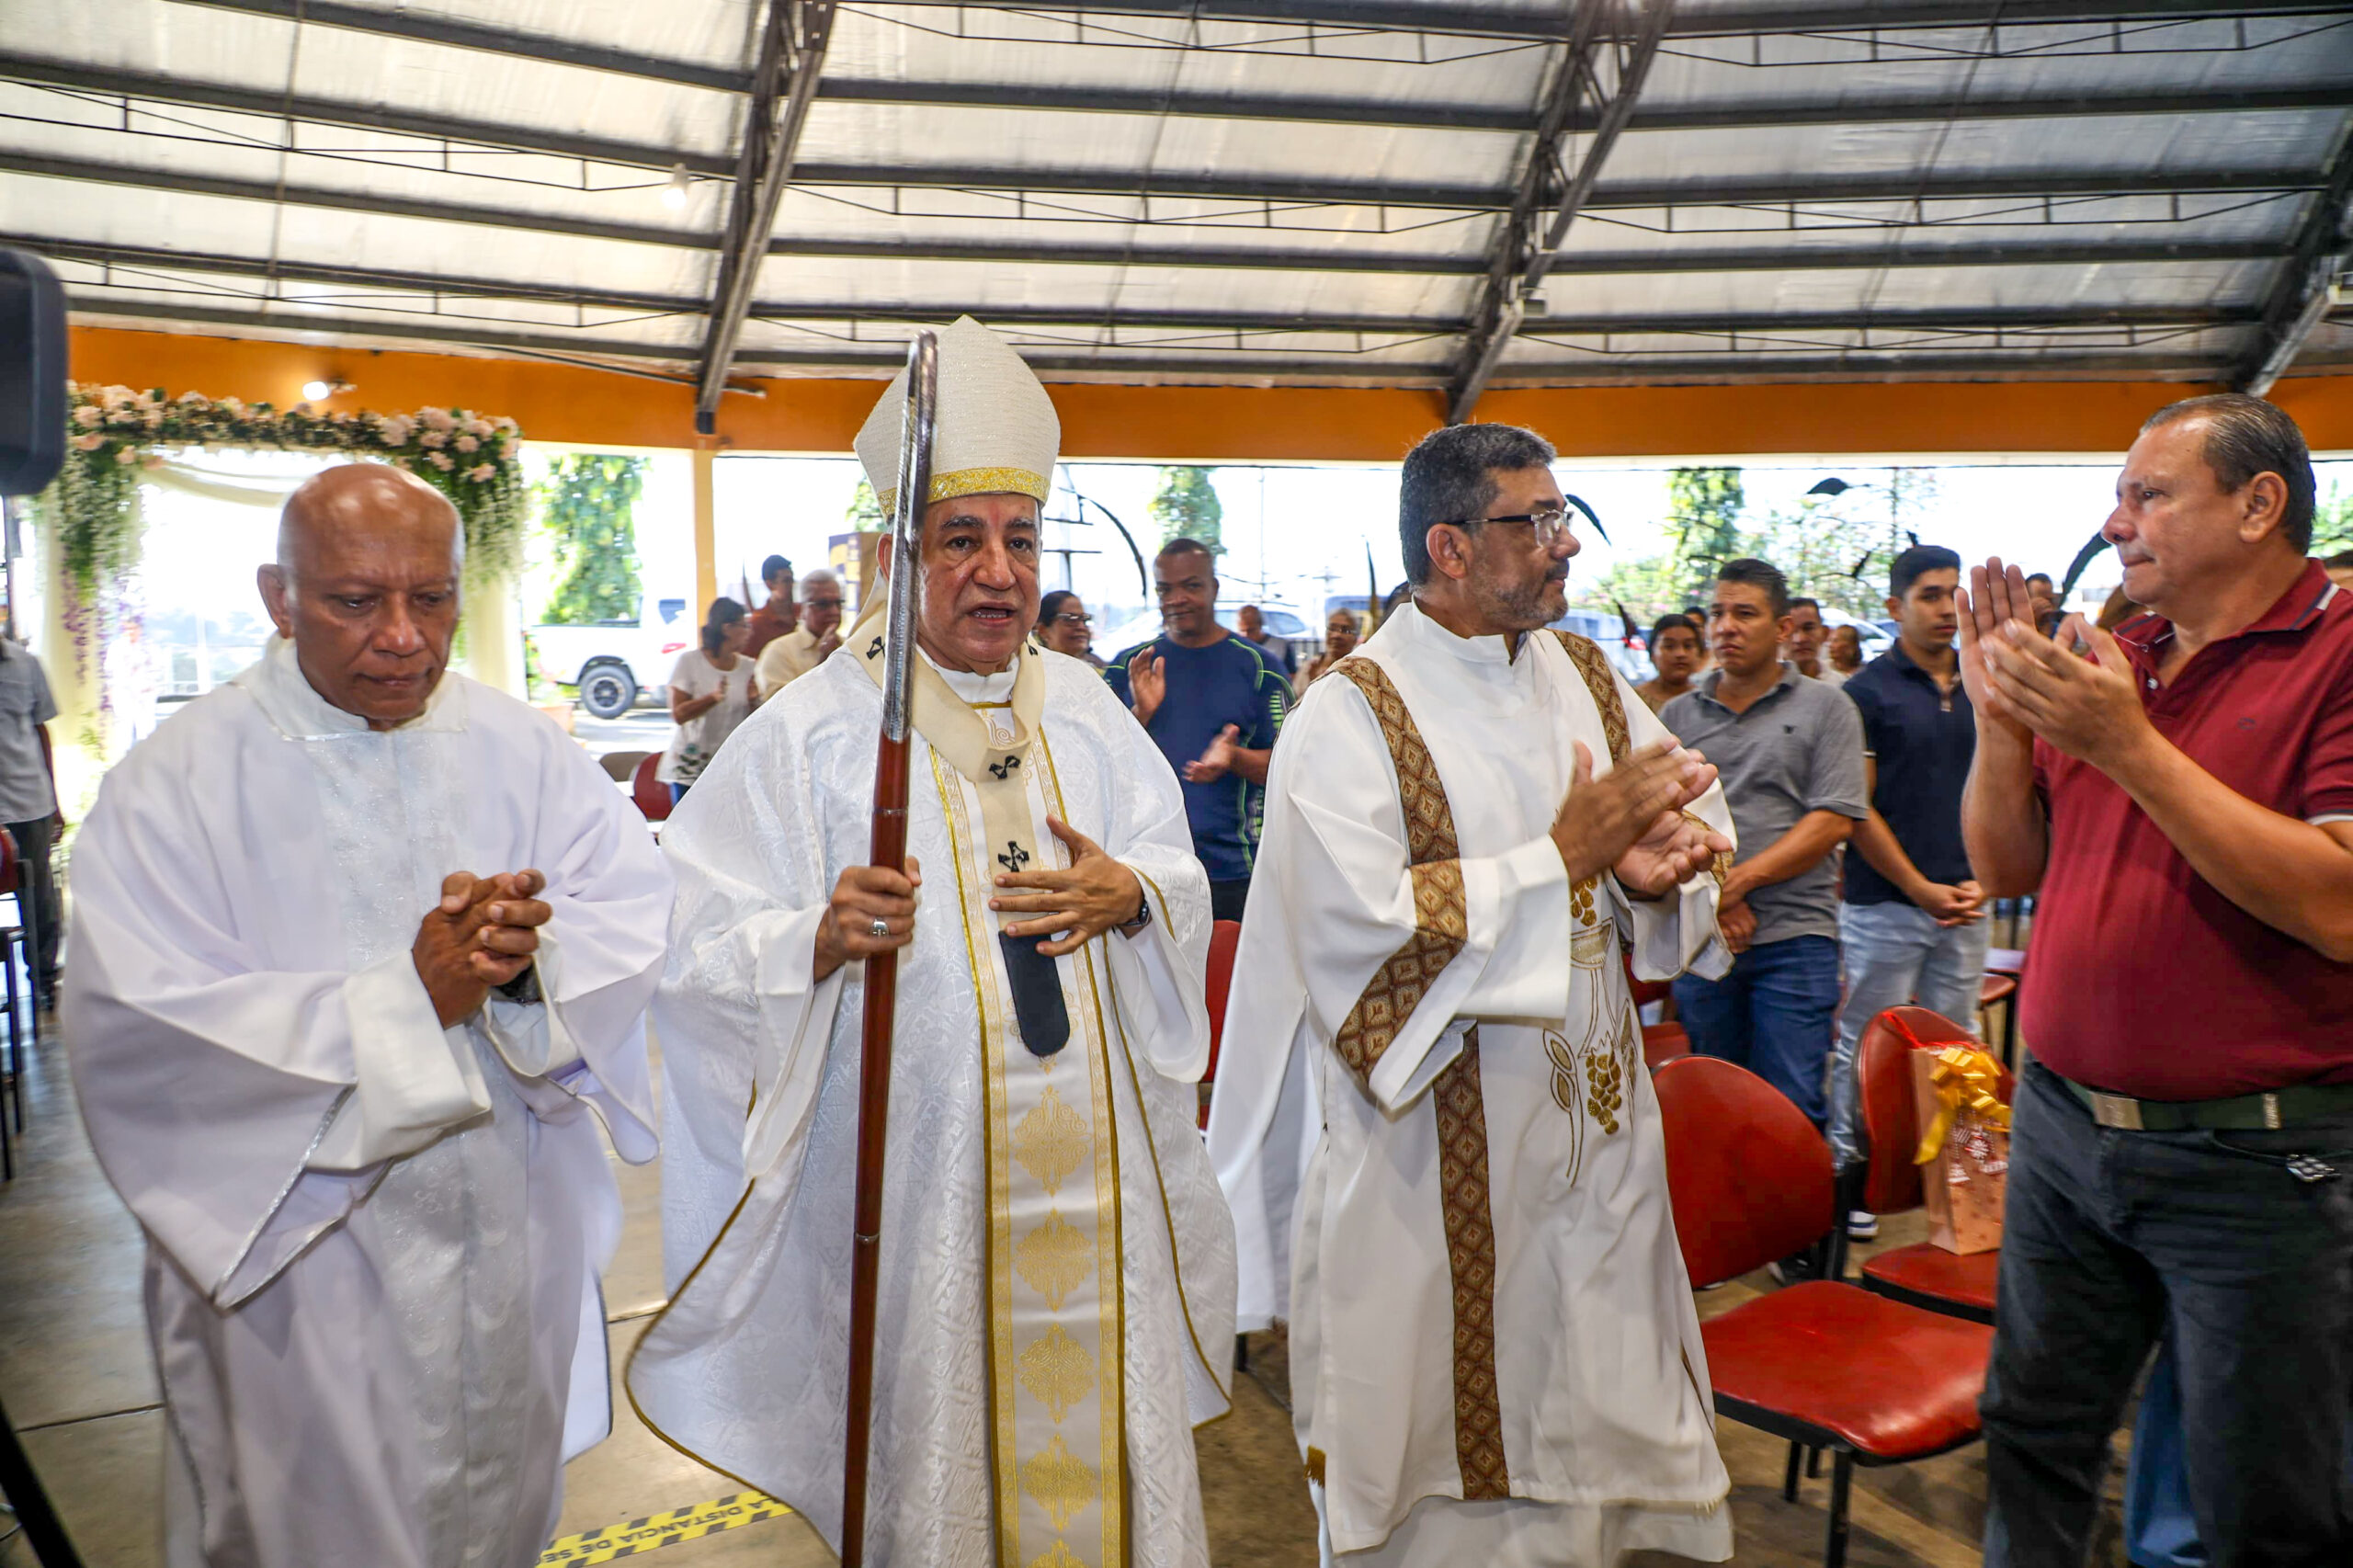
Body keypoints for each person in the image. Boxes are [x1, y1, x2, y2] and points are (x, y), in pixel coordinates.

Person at [630, 316, 1235, 1568]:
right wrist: (812, 936)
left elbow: (1175, 876)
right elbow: (685, 943)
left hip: (1096, 1203)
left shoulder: (1088, 706)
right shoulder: (819, 734)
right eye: (962, 538)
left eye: (1019, 539)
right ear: (897, 556)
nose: (998, 572)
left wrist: (1135, 897)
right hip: (922, 1203)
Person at [64, 463, 671, 1568]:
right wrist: (412, 1003)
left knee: (496, 1515)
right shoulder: (176, 783)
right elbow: (150, 1035)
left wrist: (526, 963)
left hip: (505, 1236)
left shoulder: (520, 745)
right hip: (307, 1266)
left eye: (431, 597)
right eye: (355, 600)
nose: (402, 636)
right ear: (277, 596)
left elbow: (629, 907)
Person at [1209, 421, 1736, 1568]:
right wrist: (1562, 858)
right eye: (1533, 522)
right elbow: (1357, 938)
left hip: (1596, 1158)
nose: (1564, 547)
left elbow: (1676, 819)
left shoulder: (1586, 674)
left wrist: (1663, 852)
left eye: (1563, 517)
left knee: (1593, 1453)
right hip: (1428, 1186)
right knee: (1451, 1495)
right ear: (1448, 545)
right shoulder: (1349, 713)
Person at [1961, 392, 2353, 1568]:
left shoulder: (2336, 654)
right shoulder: (2115, 660)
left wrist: (2128, 746)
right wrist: (1999, 722)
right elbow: (2003, 866)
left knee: (2260, 1495)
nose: (2113, 519)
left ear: (2257, 504)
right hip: (2066, 1128)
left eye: (2148, 493)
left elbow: (2338, 905)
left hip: (2256, 1162)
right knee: (2031, 1435)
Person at [1661, 559, 1868, 1133]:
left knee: (1790, 1109)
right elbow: (1663, 820)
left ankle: (1798, 1227)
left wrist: (1738, 885)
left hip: (1796, 941)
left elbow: (1832, 820)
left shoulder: (1828, 708)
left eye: (1745, 614)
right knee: (1712, 1104)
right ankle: (1725, 1225)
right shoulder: (1677, 716)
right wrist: (1717, 902)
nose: (1725, 626)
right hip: (1704, 939)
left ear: (1781, 630)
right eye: (1720, 613)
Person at [1828, 544, 1984, 1243]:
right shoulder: (1864, 693)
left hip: (1967, 901)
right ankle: (1853, 1180)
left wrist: (1987, 879)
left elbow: (2005, 791)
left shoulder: (1984, 684)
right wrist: (1920, 888)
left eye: (1954, 592)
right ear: (1894, 609)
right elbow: (1858, 811)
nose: (1946, 607)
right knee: (1867, 1045)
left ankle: (1965, 1188)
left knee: (1960, 1048)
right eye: (1929, 594)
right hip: (1886, 904)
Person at [1105, 539, 1293, 924]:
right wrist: (1140, 713)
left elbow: (1295, 771)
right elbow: (1086, 770)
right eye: (1165, 589)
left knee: (1230, 984)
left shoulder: (1261, 669)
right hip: (1142, 872)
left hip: (1234, 874)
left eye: (1191, 586)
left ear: (1214, 589)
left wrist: (1235, 758)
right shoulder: (1128, 666)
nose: (1177, 599)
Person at [0, 631, 63, 1008]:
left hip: (28, 801)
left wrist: (55, 801)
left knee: (37, 896)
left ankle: (43, 981)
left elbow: (42, 731)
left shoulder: (27, 665)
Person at [660, 597, 756, 801]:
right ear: (727, 628)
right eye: (744, 626)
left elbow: (753, 720)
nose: (749, 632)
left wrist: (755, 702)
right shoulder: (690, 662)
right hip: (690, 769)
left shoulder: (749, 667)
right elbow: (679, 715)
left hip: (730, 769)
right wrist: (712, 698)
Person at [753, 567, 846, 699]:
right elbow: (780, 710)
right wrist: (823, 665)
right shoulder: (779, 652)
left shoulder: (849, 648)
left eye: (838, 603)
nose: (834, 612)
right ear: (802, 609)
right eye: (823, 604)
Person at [1633, 611, 1702, 713]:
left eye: (1688, 646)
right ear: (1652, 653)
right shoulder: (1634, 700)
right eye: (1669, 646)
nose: (1680, 654)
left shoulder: (1707, 703)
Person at [743, 553, 798, 657]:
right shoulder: (757, 624)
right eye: (786, 581)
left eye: (792, 580)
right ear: (770, 584)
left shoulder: (803, 613)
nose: (792, 585)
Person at [1037, 586, 1105, 665]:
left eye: (1084, 619)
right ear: (1043, 630)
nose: (1081, 627)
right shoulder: (1034, 670)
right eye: (1071, 619)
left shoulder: (1097, 667)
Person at [1296, 607, 1360, 687]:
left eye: (1345, 631)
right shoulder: (1308, 668)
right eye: (1332, 629)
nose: (1336, 635)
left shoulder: (1358, 673)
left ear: (1355, 638)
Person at [1235, 601, 1296, 676]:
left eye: (1251, 630)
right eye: (1242, 631)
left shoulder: (1280, 646)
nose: (1246, 635)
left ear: (1260, 625)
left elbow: (1292, 675)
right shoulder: (1232, 647)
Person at [1786, 595, 1834, 681]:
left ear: (1825, 633)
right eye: (1791, 631)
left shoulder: (1840, 686)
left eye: (1808, 628)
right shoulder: (1762, 685)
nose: (1800, 639)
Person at [2023, 571, 2062, 636]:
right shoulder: (2017, 630)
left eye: (2050, 600)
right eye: (2040, 600)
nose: (2046, 605)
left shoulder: (2061, 631)